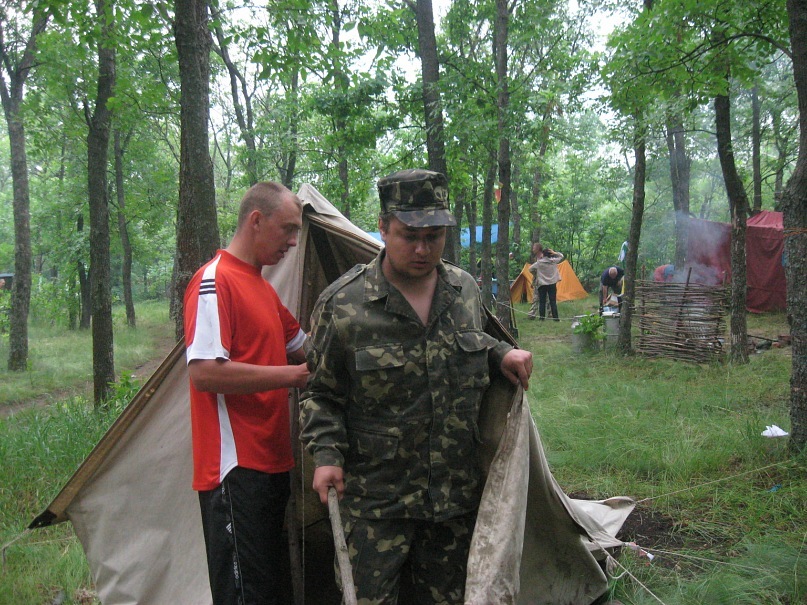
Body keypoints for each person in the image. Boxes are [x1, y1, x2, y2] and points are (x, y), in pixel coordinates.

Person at [299, 168, 533, 605]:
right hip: (374, 502)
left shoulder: (463, 290)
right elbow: (320, 393)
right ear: (383, 228)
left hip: (452, 499)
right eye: (410, 236)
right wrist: (326, 456)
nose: (423, 249)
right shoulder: (344, 304)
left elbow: (469, 342)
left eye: (434, 236)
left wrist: (501, 353)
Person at [183, 181, 310, 605]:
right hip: (234, 472)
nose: (293, 242)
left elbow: (306, 347)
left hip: (272, 465)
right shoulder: (214, 281)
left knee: (269, 592)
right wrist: (291, 376)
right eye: (288, 229)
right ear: (256, 220)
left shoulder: (264, 289)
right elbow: (205, 373)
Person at [527, 243, 564, 321]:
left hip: (542, 284)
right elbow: (561, 256)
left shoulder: (539, 263)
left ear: (543, 254)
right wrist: (554, 252)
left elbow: (530, 269)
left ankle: (542, 318)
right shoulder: (553, 261)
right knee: (553, 301)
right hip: (552, 284)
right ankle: (556, 318)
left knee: (542, 302)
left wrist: (536, 274)